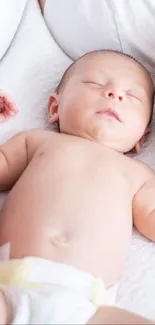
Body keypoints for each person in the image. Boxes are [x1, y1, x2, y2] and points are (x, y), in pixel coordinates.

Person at [0, 50, 154, 324]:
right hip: (10, 289)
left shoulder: (139, 174)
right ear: (54, 108)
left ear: (141, 137)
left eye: (132, 96)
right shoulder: (36, 142)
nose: (114, 94)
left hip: (86, 308)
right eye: (95, 83)